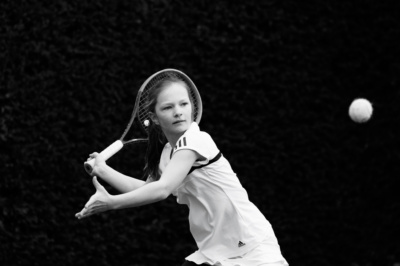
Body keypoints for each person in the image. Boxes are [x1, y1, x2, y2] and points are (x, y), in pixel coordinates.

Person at [76, 71, 289, 266]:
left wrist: (112, 203)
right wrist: (103, 171)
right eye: (168, 107)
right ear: (154, 118)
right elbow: (147, 187)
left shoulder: (196, 140)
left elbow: (162, 190)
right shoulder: (169, 153)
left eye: (183, 104)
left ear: (192, 107)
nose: (178, 112)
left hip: (251, 247)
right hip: (215, 250)